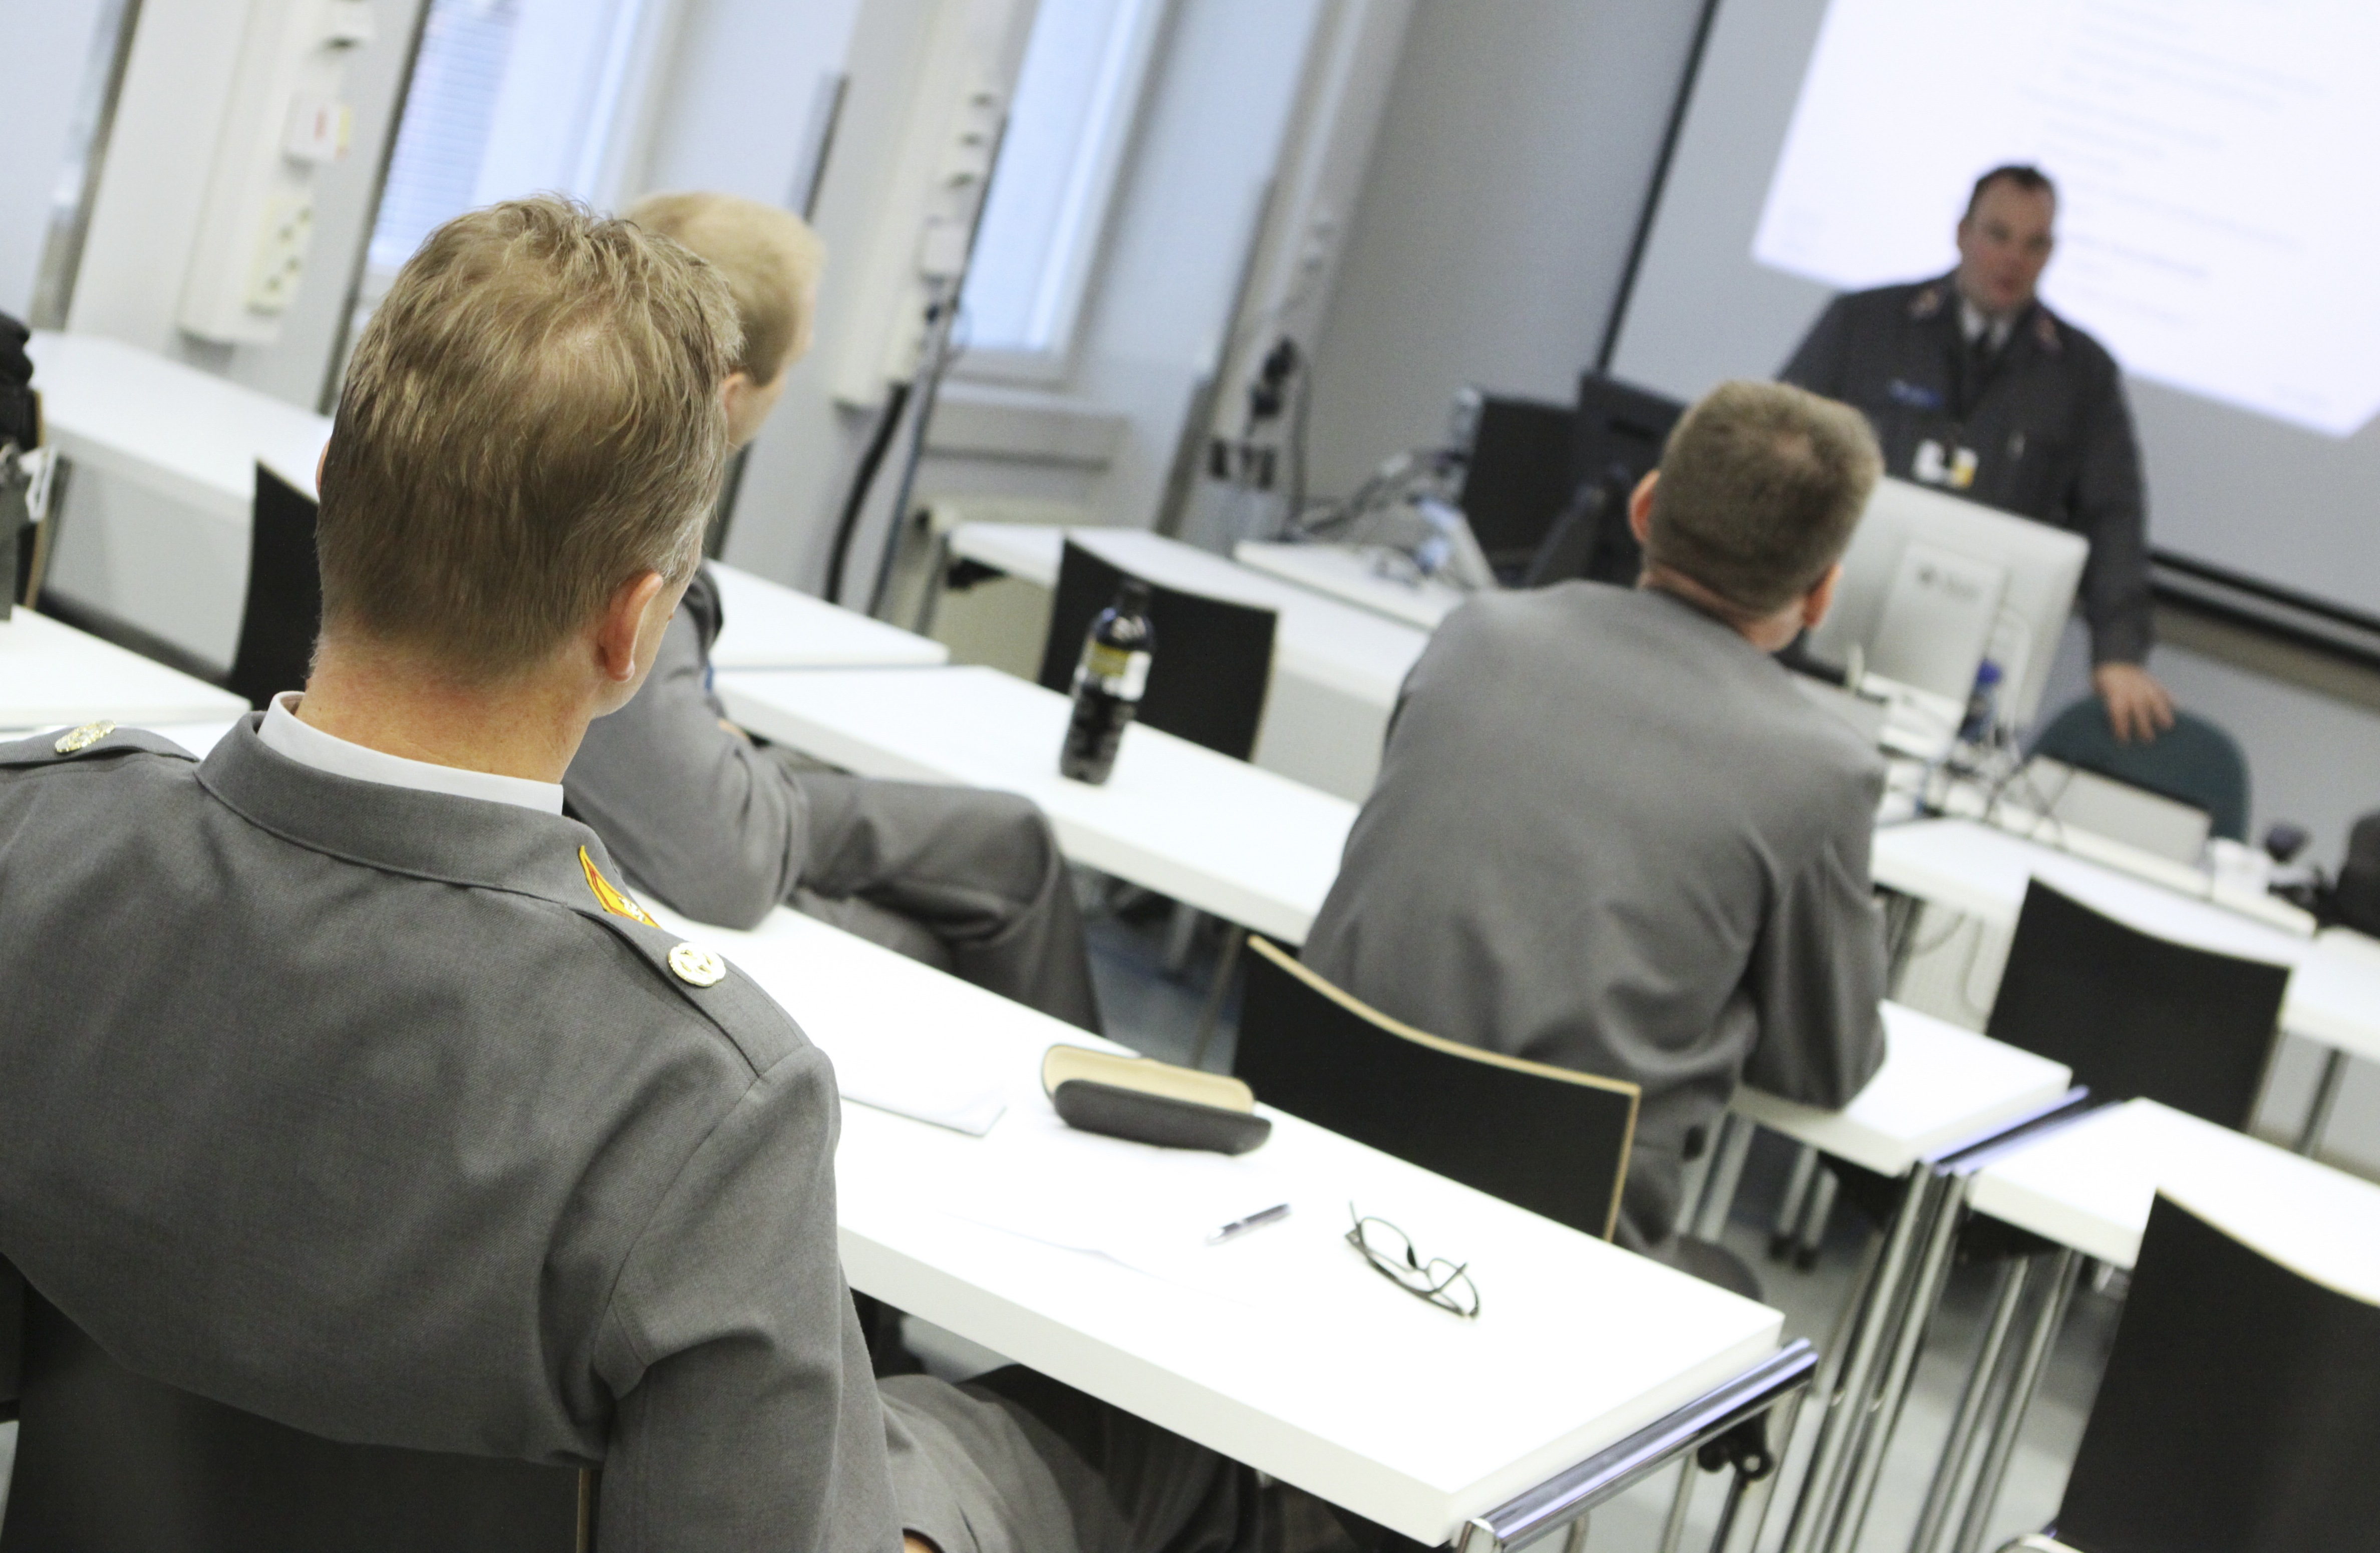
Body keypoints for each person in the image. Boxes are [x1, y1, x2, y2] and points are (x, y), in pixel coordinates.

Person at [0, 197, 1242, 1552]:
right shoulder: (699, 1101)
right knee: (1148, 1459)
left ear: (337, 508)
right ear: (636, 626)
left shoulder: (33, 845)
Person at [1300, 381, 1890, 1260]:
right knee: (1732, 1297)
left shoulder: (1477, 634)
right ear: (1820, 593)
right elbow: (1824, 1065)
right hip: (1559, 1248)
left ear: (1645, 506)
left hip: (1310, 1154)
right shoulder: (1822, 771)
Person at [564, 190, 1101, 1031]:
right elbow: (716, 853)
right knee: (1003, 857)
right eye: (795, 364)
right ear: (730, 393)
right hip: (653, 874)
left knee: (966, 881)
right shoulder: (626, 547)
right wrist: (741, 772)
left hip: (650, 830)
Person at [1781, 163, 2175, 743]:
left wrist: (2119, 652)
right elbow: (1776, 449)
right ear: (1963, 232)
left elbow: (2113, 517)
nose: (2013, 259)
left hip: (1974, 680)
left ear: (2051, 254)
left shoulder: (2081, 373)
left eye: (2034, 244)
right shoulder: (1866, 324)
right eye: (1998, 235)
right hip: (1823, 631)